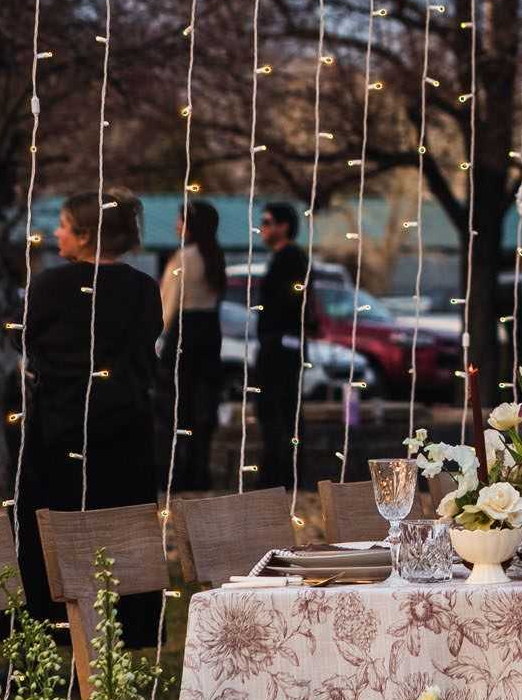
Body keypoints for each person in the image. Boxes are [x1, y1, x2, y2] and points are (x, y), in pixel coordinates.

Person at [18, 191, 167, 634]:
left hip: (59, 432)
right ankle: (123, 629)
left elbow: (21, 337)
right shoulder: (142, 288)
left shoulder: (50, 286)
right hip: (125, 432)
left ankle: (44, 629)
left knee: (49, 535)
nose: (56, 234)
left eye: (63, 225)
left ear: (84, 236)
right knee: (119, 533)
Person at [157, 198, 231, 490]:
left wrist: (158, 334)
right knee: (204, 403)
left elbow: (169, 303)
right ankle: (201, 469)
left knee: (177, 403)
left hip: (184, 331)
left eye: (180, 219)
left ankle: (177, 471)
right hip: (210, 331)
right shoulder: (216, 256)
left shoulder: (183, 257)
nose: (176, 225)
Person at [248, 198, 309, 489]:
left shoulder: (291, 258)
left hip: (281, 348)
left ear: (284, 227)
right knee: (276, 410)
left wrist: (277, 335)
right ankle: (279, 471)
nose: (262, 228)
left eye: (267, 222)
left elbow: (292, 302)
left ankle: (280, 473)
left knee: (278, 410)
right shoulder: (284, 258)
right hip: (279, 345)